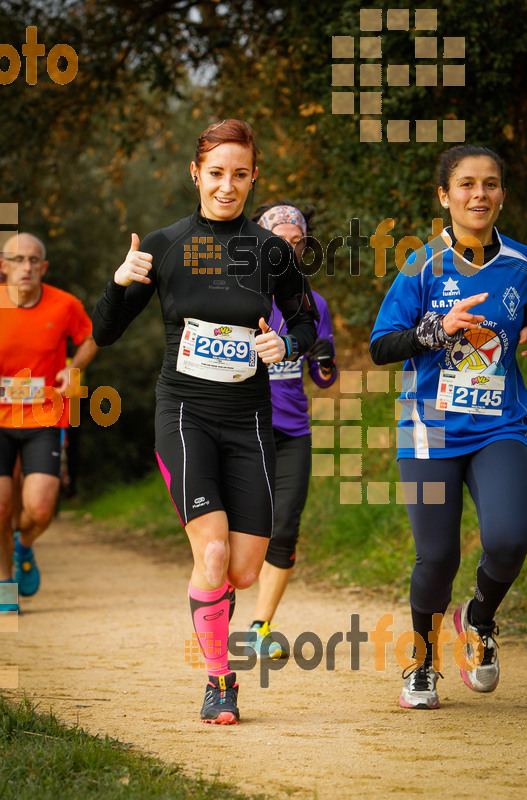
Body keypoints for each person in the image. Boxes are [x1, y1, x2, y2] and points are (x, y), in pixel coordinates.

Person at [92, 120, 318, 724]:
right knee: (214, 551)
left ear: (252, 178)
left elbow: (304, 322)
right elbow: (105, 333)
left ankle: (215, 619)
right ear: (196, 174)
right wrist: (118, 284)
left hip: (250, 421)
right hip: (185, 414)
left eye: (239, 174)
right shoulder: (165, 246)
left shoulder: (270, 252)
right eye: (216, 173)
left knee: (243, 570)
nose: (227, 185)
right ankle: (220, 680)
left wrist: (286, 347)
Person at [370, 145, 527, 709]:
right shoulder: (420, 265)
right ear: (445, 196)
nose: (478, 194)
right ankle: (423, 660)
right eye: (465, 184)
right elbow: (381, 345)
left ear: (502, 195)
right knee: (437, 558)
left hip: (500, 426)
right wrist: (436, 330)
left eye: (490, 184)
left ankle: (479, 621)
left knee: (510, 540)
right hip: (428, 431)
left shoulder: (524, 262)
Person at [245, 202, 337, 658]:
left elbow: (324, 378)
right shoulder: (235, 293)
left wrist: (323, 360)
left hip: (294, 431)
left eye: (298, 243)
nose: (290, 249)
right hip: (243, 426)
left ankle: (260, 627)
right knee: (236, 531)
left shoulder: (313, 304)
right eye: (281, 241)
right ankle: (213, 608)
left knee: (284, 530)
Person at [0, 233, 97, 612]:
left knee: (39, 508)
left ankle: (24, 546)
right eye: (17, 259)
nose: (26, 267)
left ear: (44, 267)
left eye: (33, 260)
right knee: (1, 506)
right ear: (4, 265)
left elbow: (93, 337)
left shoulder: (64, 304)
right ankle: (5, 583)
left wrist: (73, 369)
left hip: (44, 414)